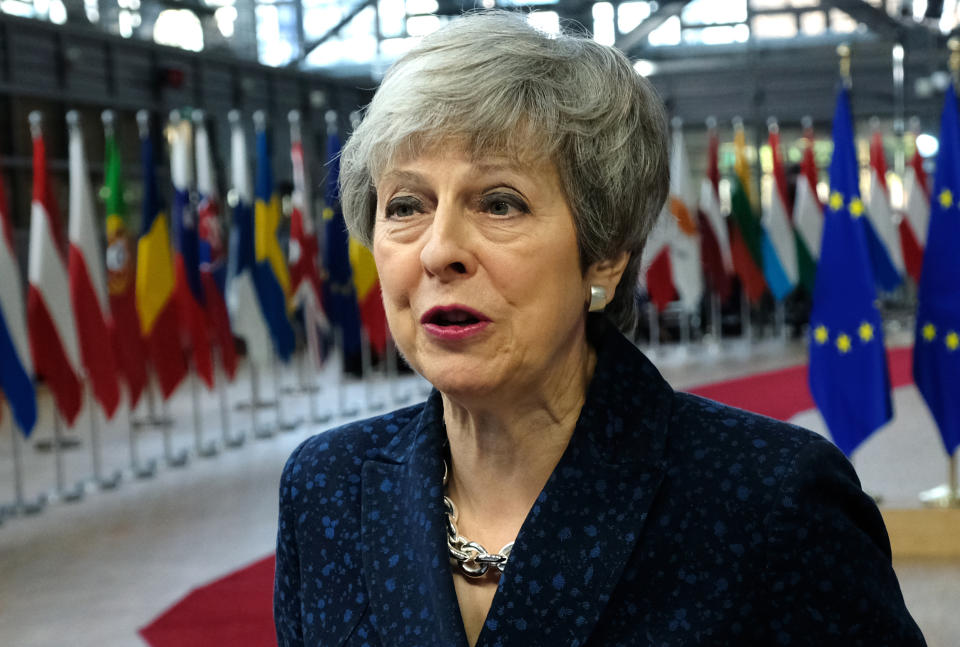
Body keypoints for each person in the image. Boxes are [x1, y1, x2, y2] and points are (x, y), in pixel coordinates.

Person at [274, 11, 925, 647]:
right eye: (406, 206)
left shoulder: (775, 503)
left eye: (500, 203)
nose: (438, 249)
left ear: (606, 255)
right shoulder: (325, 488)